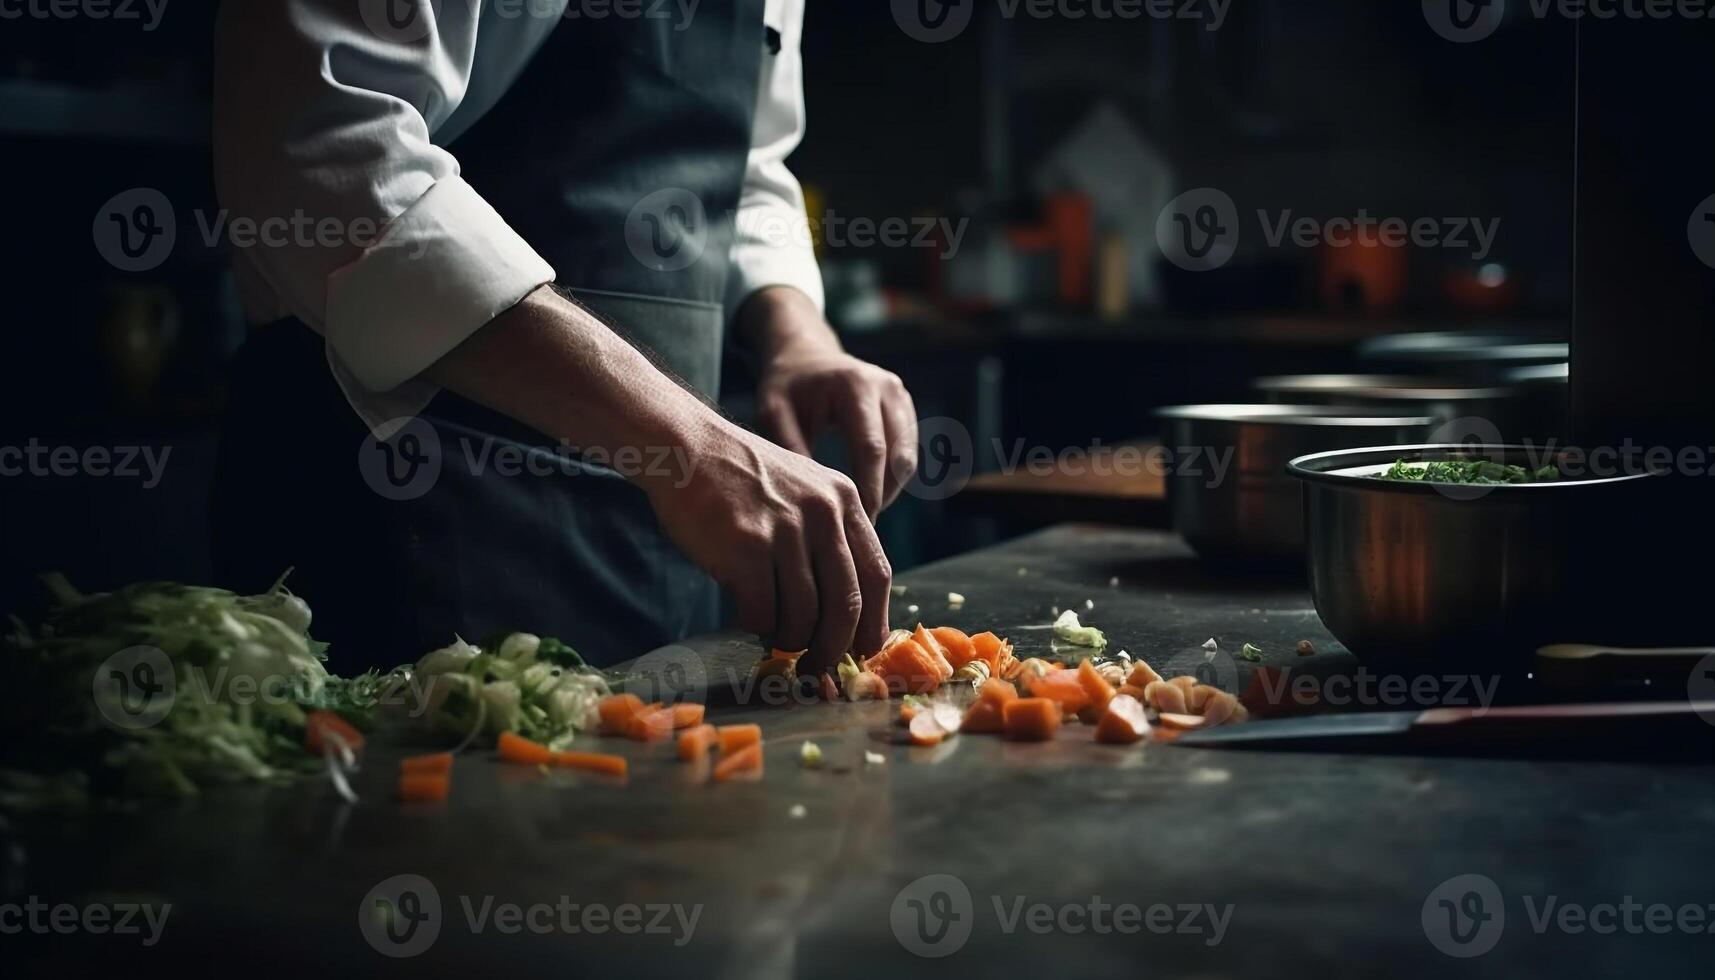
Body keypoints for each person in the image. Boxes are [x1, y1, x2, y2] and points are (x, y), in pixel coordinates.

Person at [209, 0, 917, 674]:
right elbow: (323, 152)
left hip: (665, 519)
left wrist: (799, 337)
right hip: (407, 495)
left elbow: (751, 172)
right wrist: (690, 444)